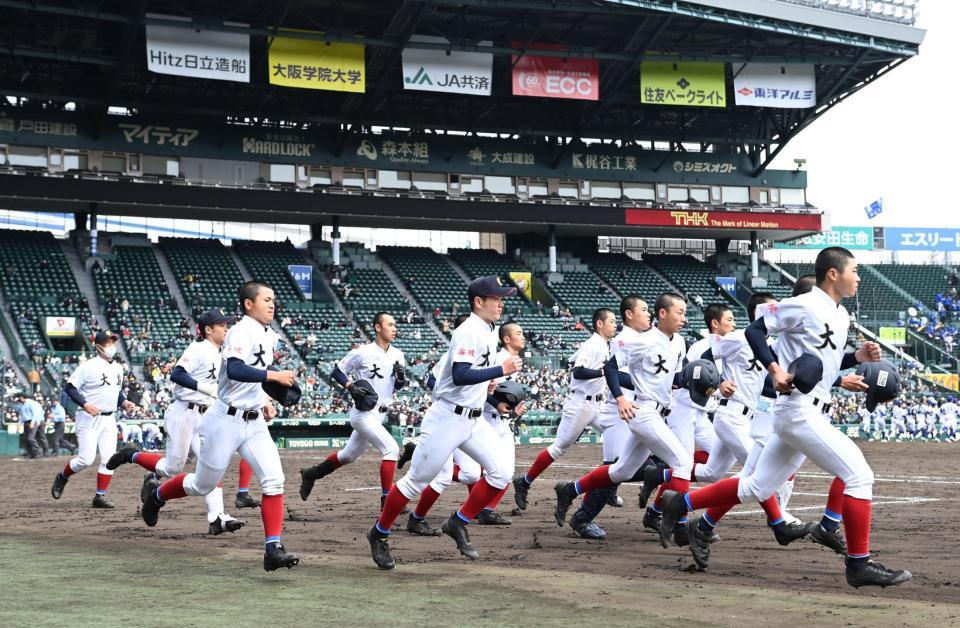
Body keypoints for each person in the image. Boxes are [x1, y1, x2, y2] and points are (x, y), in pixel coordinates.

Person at [658, 247, 911, 588]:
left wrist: (856, 357)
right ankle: (858, 563)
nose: (859, 276)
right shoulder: (805, 303)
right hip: (798, 410)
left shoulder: (841, 316)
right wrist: (775, 368)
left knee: (755, 486)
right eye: (855, 269)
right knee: (859, 477)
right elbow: (754, 331)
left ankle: (680, 502)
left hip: (806, 409)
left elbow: (825, 367)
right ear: (833, 274)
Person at [139, 281, 301, 571]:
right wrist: (274, 376)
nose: (272, 304)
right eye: (266, 299)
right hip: (224, 420)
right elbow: (237, 369)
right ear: (249, 304)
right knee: (203, 485)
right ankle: (157, 495)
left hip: (253, 422)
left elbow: (254, 376)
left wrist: (265, 396)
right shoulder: (239, 331)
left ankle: (272, 549)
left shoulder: (270, 335)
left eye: (274, 299)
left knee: (274, 481)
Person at [366, 276, 521, 570]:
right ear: (478, 301)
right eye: (496, 298)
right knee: (415, 482)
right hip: (447, 418)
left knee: (501, 473)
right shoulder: (468, 331)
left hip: (473, 419)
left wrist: (488, 384)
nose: (501, 302)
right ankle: (379, 532)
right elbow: (461, 374)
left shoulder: (487, 330)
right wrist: (499, 369)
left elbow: (470, 375)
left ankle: (457, 522)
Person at [106, 308, 246, 535]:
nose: (226, 328)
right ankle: (130, 454)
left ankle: (217, 517)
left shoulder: (223, 352)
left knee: (211, 464)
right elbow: (177, 374)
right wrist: (204, 388)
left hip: (205, 414)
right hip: (183, 412)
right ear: (208, 330)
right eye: (222, 325)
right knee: (173, 468)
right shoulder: (198, 348)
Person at [512, 308, 619, 520]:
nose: (615, 325)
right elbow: (578, 371)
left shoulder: (604, 345)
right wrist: (603, 372)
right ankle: (524, 482)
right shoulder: (593, 344)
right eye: (612, 321)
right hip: (581, 404)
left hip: (597, 404)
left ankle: (608, 491)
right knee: (560, 447)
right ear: (600, 324)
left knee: (616, 437)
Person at [299, 312, 408, 508]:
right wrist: (350, 386)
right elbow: (336, 370)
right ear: (377, 327)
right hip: (363, 413)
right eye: (390, 324)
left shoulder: (398, 354)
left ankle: (311, 473)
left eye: (395, 325)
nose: (394, 328)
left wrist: (400, 379)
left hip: (381, 412)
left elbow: (397, 386)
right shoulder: (362, 352)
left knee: (347, 456)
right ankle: (388, 500)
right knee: (391, 449)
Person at [50, 330, 137, 508]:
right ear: (98, 346)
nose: (111, 345)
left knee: (109, 459)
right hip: (89, 418)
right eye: (107, 343)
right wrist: (84, 404)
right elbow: (70, 387)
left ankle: (100, 496)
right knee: (86, 459)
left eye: (113, 342)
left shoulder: (118, 367)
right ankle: (62, 476)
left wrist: (125, 402)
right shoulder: (87, 366)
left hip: (109, 418)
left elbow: (116, 391)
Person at [18, 392, 46, 458]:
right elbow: (22, 415)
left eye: (19, 397)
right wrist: (19, 424)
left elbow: (35, 414)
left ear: (22, 397)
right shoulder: (22, 405)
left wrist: (32, 422)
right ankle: (30, 454)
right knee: (27, 439)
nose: (19, 398)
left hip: (32, 421)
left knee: (30, 438)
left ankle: (38, 452)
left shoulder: (31, 403)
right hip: (26, 422)